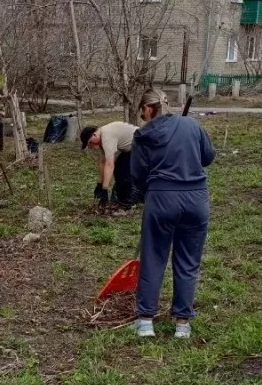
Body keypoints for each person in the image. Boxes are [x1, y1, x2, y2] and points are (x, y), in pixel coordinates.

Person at [129, 89, 216, 339]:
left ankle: (146, 323)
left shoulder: (143, 135)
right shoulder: (192, 125)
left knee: (153, 257)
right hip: (196, 200)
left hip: (161, 199)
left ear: (148, 109)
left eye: (142, 113)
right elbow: (208, 157)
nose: (143, 118)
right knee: (188, 260)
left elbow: (138, 176)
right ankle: (182, 325)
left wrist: (152, 191)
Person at [80, 121, 140, 209]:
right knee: (120, 169)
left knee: (123, 171)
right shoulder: (102, 135)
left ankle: (128, 202)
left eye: (90, 143)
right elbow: (103, 162)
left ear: (94, 135)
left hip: (144, 145)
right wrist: (99, 184)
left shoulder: (107, 138)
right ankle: (123, 198)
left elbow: (109, 165)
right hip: (132, 147)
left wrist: (105, 189)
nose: (91, 146)